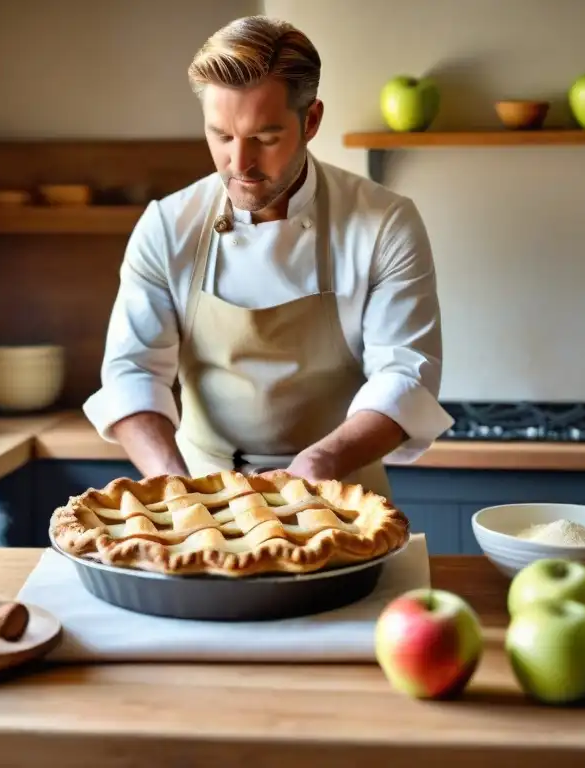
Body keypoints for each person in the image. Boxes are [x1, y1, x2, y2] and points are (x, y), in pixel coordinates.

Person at [83, 15, 453, 497]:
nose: (239, 164)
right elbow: (132, 371)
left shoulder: (384, 224)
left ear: (311, 121)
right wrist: (175, 488)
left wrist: (322, 460)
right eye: (220, 135)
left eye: (265, 138)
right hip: (201, 490)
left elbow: (406, 375)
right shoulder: (167, 226)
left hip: (341, 492)